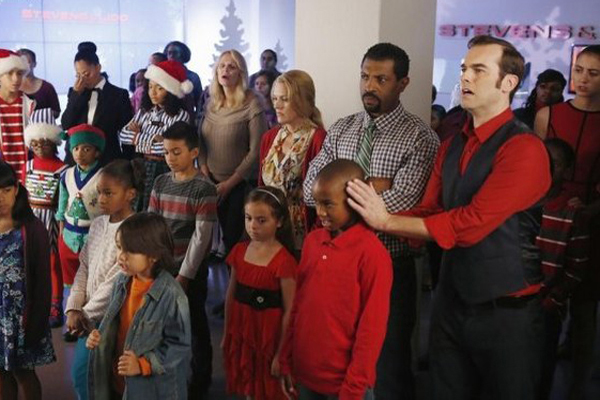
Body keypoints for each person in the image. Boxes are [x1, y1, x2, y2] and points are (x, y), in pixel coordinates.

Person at [347, 35, 551, 399]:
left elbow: (469, 224)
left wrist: (385, 220)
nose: (465, 77)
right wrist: (361, 216)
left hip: (507, 310)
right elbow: (430, 211)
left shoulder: (525, 148)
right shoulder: (453, 144)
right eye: (463, 69)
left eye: (478, 70)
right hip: (450, 302)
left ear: (508, 83)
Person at [303, 42, 439, 400]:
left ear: (403, 83)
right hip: (334, 265)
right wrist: (377, 185)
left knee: (389, 365)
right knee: (332, 358)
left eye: (381, 79)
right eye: (365, 76)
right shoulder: (342, 129)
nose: (369, 86)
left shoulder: (420, 137)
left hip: (389, 264)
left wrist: (339, 192)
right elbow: (309, 191)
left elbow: (402, 203)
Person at [280, 159, 392, 400]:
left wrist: (354, 388)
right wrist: (286, 359)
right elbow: (298, 306)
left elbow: (372, 329)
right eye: (316, 203)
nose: (320, 212)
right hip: (306, 375)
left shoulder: (372, 254)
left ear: (354, 201)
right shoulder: (312, 241)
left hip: (347, 385)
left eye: (328, 204)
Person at [534, 44, 600, 400]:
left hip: (593, 219)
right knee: (544, 302)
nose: (583, 78)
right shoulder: (548, 114)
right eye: (579, 70)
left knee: (586, 310)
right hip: (548, 216)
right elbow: (535, 169)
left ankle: (578, 389)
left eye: (593, 73)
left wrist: (592, 207)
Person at [86, 212, 191, 400]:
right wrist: (99, 335)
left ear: (154, 255)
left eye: (130, 250)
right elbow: (116, 323)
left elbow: (179, 348)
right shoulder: (121, 282)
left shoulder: (172, 296)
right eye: (119, 247)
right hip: (118, 384)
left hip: (148, 390)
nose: (121, 257)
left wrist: (143, 364)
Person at [147, 121, 217, 397]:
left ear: (194, 152)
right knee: (162, 323)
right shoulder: (161, 182)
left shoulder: (203, 188)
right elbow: (152, 223)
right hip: (162, 266)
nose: (170, 158)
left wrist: (185, 275)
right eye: (166, 152)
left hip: (190, 270)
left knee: (195, 324)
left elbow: (201, 237)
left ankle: (200, 379)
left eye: (177, 152)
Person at [65, 159, 144, 400]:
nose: (101, 199)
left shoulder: (133, 229)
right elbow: (84, 267)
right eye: (99, 192)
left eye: (109, 193)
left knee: (92, 376)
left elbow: (116, 282)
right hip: (88, 317)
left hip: (110, 318)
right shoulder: (98, 223)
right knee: (88, 376)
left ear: (130, 194)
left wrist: (85, 315)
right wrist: (73, 306)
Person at [222, 186, 297, 399]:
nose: (253, 226)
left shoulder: (284, 261)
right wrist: (227, 332)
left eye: (261, 220)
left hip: (269, 335)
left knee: (268, 386)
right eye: (248, 218)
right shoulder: (239, 252)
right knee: (248, 383)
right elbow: (230, 296)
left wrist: (281, 354)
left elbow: (290, 310)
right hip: (243, 328)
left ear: (279, 221)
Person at [200, 49, 268, 257]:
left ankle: (234, 278)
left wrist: (229, 184)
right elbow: (201, 142)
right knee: (206, 241)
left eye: (231, 67)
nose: (225, 70)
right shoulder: (211, 103)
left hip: (239, 185)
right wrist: (204, 173)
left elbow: (256, 150)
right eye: (222, 66)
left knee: (234, 242)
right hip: (210, 183)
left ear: (241, 73)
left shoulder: (252, 103)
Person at [536, 138, 590, 400]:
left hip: (548, 305)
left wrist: (553, 299)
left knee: (542, 367)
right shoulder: (521, 200)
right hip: (517, 301)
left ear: (567, 170)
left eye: (555, 164)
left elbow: (576, 267)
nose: (547, 168)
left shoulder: (572, 212)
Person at [0, 161, 56, 400]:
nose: (1, 198)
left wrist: (37, 320)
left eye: (6, 190)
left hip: (23, 317)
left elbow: (43, 281)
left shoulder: (32, 229)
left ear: (16, 189)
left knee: (24, 372)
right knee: (1, 373)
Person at [259, 70, 326, 252]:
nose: (277, 105)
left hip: (300, 234)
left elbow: (324, 196)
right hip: (269, 229)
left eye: (284, 99)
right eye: (275, 99)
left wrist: (316, 236)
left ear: (302, 101)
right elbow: (261, 188)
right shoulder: (269, 137)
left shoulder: (318, 139)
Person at [120, 60, 192, 210]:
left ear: (170, 90)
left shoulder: (180, 115)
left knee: (159, 210)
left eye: (159, 88)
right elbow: (123, 136)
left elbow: (168, 148)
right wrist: (153, 139)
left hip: (165, 168)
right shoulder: (144, 112)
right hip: (141, 166)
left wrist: (138, 137)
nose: (153, 92)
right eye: (150, 87)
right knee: (138, 209)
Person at [21, 109, 67, 328]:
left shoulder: (63, 169)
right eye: (35, 143)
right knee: (29, 260)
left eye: (45, 142)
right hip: (30, 218)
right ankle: (32, 302)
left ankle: (55, 305)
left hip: (51, 220)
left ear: (54, 142)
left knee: (52, 262)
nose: (39, 147)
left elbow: (63, 200)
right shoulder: (28, 166)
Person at [61, 42, 133, 163]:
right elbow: (66, 124)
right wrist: (76, 95)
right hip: (76, 159)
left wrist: (127, 162)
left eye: (86, 74)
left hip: (107, 159)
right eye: (78, 75)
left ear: (98, 67)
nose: (83, 79)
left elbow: (126, 132)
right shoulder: (75, 93)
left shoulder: (118, 94)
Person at [56, 124, 105, 302]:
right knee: (68, 279)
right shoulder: (66, 175)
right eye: (76, 148)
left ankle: (87, 313)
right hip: (68, 236)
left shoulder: (103, 176)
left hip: (94, 236)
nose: (80, 153)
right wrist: (61, 229)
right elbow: (62, 203)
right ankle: (69, 310)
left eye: (86, 149)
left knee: (92, 278)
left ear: (97, 152)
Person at [0, 49, 35, 173]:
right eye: (9, 73)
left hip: (28, 172)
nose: (15, 79)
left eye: (19, 73)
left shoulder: (30, 104)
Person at [17, 49, 60, 117]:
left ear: (34, 64)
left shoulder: (47, 87)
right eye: (20, 62)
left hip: (42, 124)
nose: (24, 66)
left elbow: (56, 112)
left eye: (27, 62)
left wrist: (39, 114)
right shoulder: (12, 86)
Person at [164, 41, 202, 112]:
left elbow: (199, 102)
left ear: (182, 55)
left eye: (175, 53)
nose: (171, 56)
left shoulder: (193, 77)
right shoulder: (162, 75)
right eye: (169, 53)